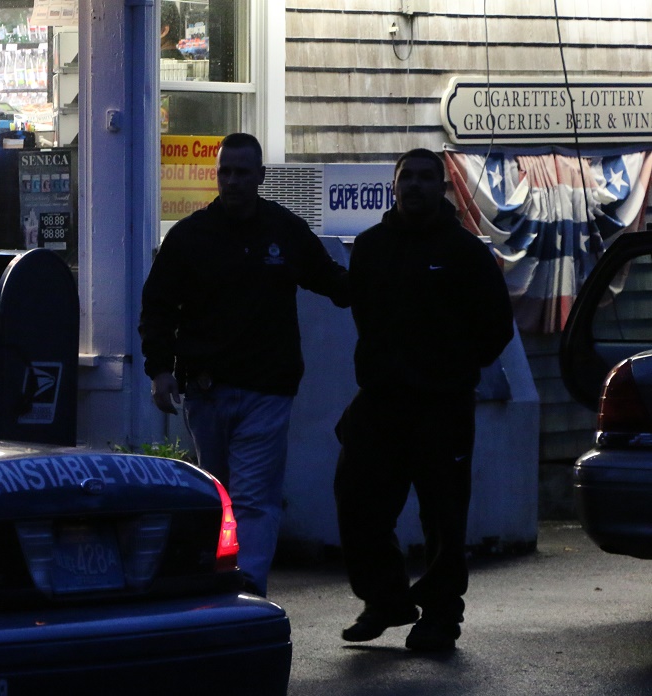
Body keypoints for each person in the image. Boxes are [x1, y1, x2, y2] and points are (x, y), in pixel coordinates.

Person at [139, 132, 349, 596]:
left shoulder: (284, 231)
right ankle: (222, 579)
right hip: (206, 390)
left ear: (260, 176)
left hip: (266, 389)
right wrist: (160, 369)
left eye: (241, 172)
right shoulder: (189, 236)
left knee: (253, 496)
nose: (232, 181)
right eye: (225, 172)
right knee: (220, 492)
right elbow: (158, 306)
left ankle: (248, 588)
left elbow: (334, 282)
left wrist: (384, 277)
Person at [334, 148, 514, 652]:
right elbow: (362, 312)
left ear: (441, 187)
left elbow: (497, 325)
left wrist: (453, 368)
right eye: (406, 177)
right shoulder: (369, 247)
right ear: (393, 186)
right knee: (356, 500)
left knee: (443, 517)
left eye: (424, 178)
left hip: (443, 405)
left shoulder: (465, 252)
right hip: (380, 401)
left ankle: (440, 616)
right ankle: (386, 599)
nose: (414, 185)